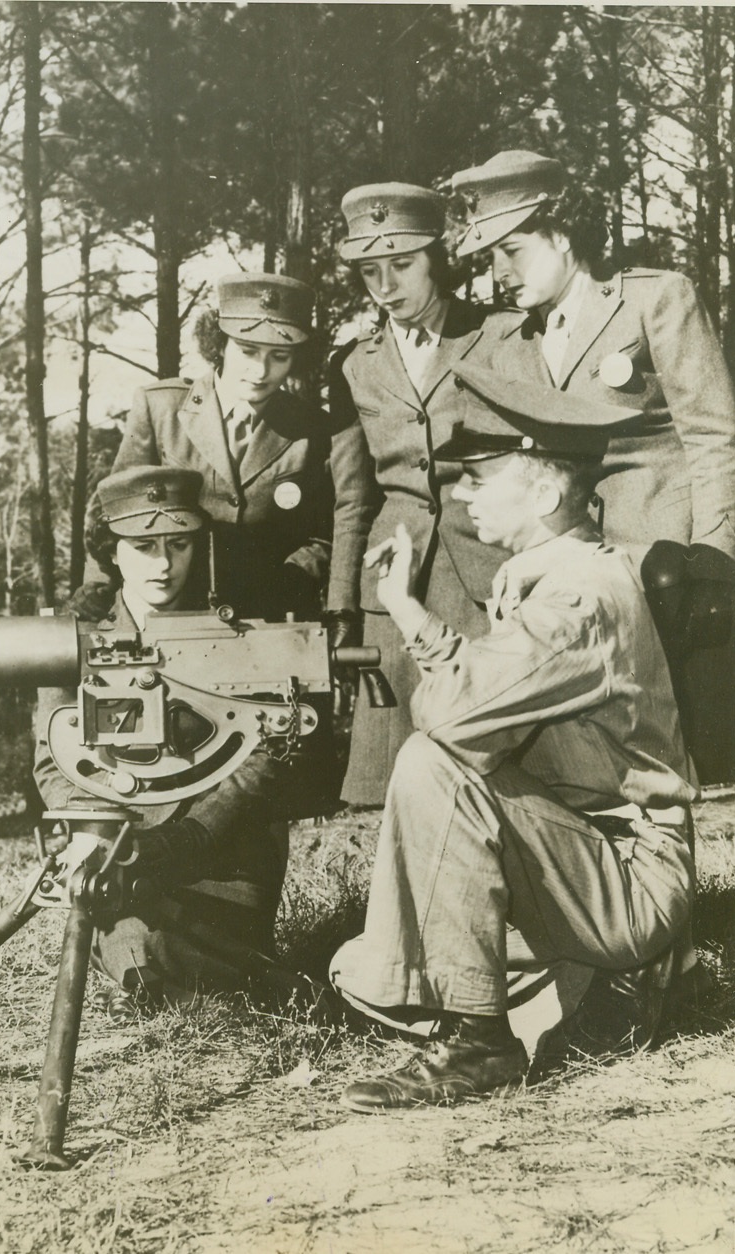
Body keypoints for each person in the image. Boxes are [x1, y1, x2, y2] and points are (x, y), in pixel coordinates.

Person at [330, 362, 697, 1111]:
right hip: (575, 857)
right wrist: (406, 609)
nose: (460, 494)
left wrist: (416, 630)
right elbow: (486, 707)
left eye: (479, 478)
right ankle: (601, 987)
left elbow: (456, 721)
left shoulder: (578, 596)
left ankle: (482, 1040)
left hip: (626, 877)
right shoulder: (550, 574)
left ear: (544, 492)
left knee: (431, 764)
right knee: (357, 967)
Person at [35, 466, 310, 1019]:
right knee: (144, 954)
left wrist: (186, 838)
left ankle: (253, 984)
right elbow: (52, 758)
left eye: (179, 544)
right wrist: (94, 832)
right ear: (112, 552)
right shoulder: (73, 635)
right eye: (143, 546)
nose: (163, 564)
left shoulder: (239, 632)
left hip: (222, 857)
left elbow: (268, 759)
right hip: (121, 852)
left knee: (169, 957)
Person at [326, 183, 512, 807]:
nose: (385, 284)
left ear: (438, 258)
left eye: (401, 264)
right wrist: (341, 607)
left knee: (495, 759)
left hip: (485, 575)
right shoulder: (352, 364)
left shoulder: (501, 335)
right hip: (397, 585)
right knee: (402, 780)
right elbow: (354, 498)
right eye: (370, 270)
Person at [451, 149, 735, 558]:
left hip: (667, 565)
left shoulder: (655, 299)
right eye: (490, 258)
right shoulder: (513, 345)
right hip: (570, 572)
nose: (499, 274)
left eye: (512, 251)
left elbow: (714, 438)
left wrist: (715, 556)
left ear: (561, 234)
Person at [106, 273, 332, 622]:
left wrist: (284, 585)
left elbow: (325, 534)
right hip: (175, 614)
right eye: (248, 351)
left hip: (272, 619)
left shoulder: (313, 429)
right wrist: (98, 605)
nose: (260, 370)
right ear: (220, 345)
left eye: (279, 356)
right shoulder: (161, 409)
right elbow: (115, 515)